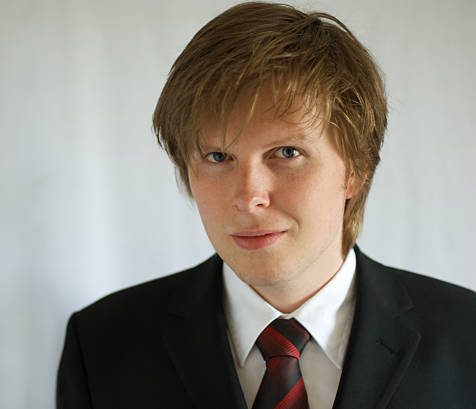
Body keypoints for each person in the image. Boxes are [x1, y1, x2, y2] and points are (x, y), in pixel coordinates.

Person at [56, 2, 476, 408]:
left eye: (287, 152)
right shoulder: (101, 345)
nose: (248, 196)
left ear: (356, 169)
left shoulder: (467, 336)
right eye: (218, 157)